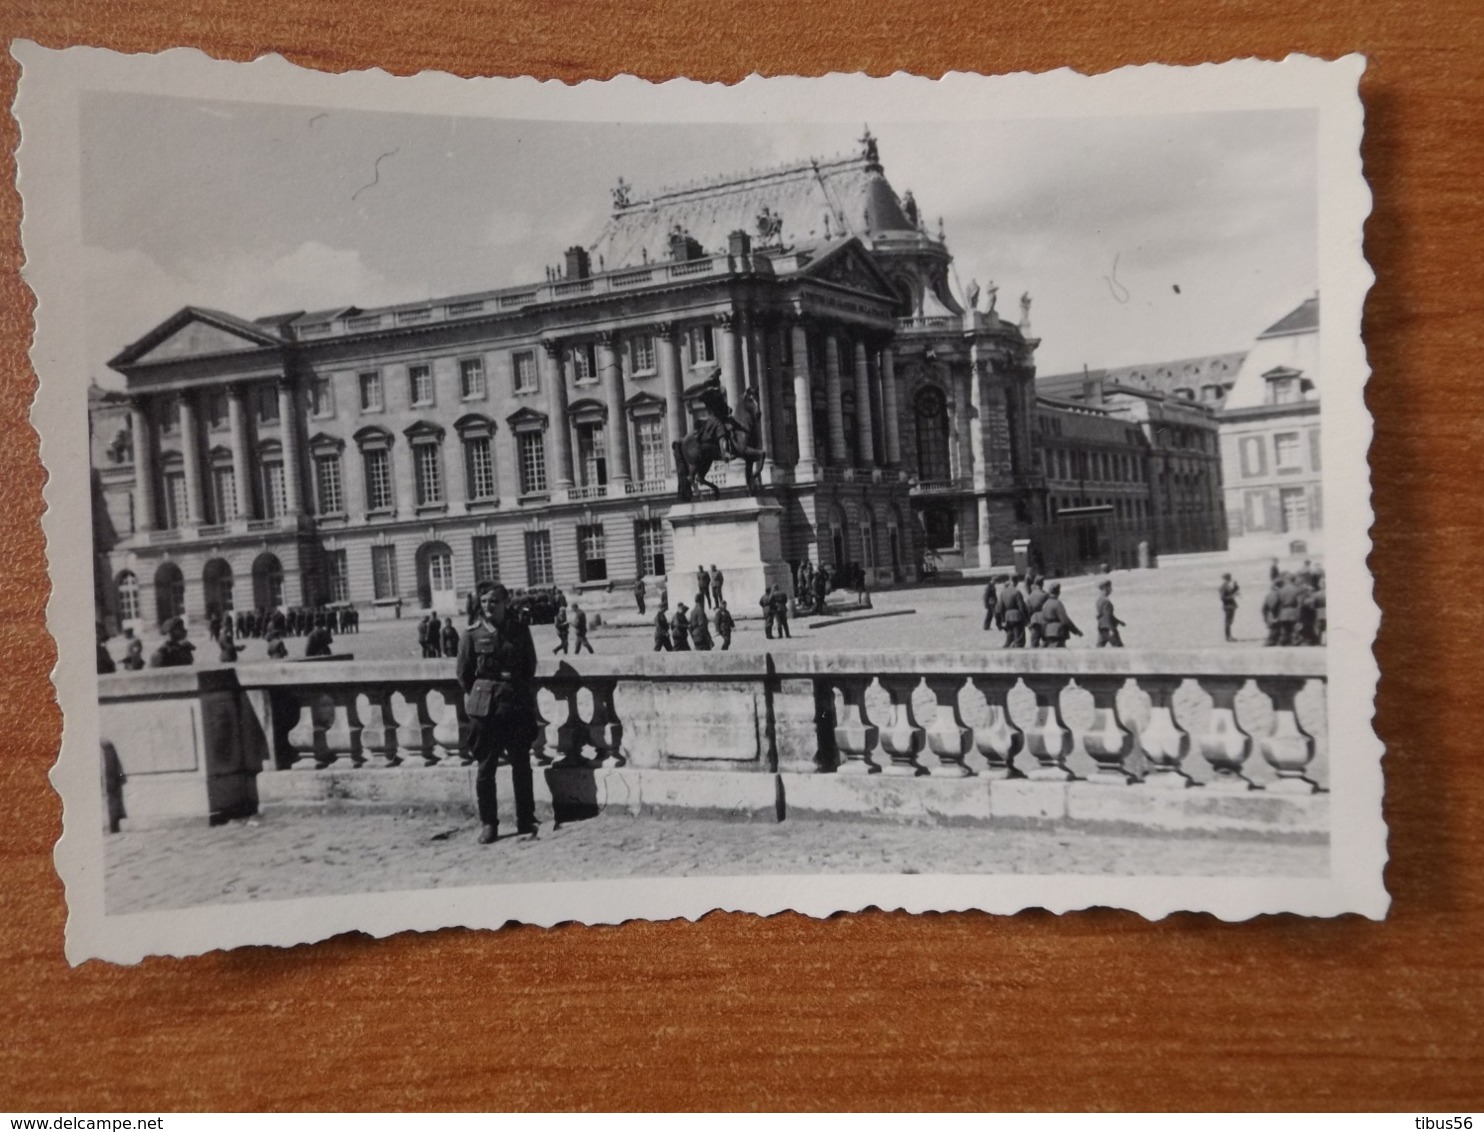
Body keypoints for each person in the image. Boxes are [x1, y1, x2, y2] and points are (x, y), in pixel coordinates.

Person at [458, 582, 540, 845]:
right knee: (485, 769)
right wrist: (486, 690)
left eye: (493, 601)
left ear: (506, 603)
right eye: (483, 601)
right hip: (484, 712)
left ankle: (525, 818)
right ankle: (489, 824)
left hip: (515, 705)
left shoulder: (519, 630)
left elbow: (529, 667)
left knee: (521, 766)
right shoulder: (471, 635)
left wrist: (512, 689)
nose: (488, 606)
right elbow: (464, 674)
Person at [1040, 583, 1081, 648]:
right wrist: (1076, 631)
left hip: (1047, 632)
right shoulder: (1058, 604)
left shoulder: (1045, 604)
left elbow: (1042, 620)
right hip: (1058, 632)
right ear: (1058, 592)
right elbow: (1065, 620)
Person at [996, 575, 1028, 648]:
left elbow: (1001, 607)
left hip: (1008, 617)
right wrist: (1026, 619)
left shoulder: (1003, 592)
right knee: (1019, 639)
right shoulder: (1017, 592)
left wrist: (1003, 619)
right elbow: (1021, 607)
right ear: (1017, 581)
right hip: (1017, 617)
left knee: (1009, 637)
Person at [1094, 579, 1125, 647]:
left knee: (1099, 648)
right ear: (1106, 588)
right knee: (1119, 647)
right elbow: (1107, 616)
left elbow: (1104, 615)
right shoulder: (1106, 602)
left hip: (1102, 628)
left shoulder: (1099, 600)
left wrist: (1119, 622)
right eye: (1110, 587)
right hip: (1108, 628)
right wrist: (1111, 629)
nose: (1111, 589)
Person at [1026, 576, 1049, 649]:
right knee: (1047, 641)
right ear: (1042, 583)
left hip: (1034, 620)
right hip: (1044, 620)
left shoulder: (1030, 596)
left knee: (1034, 643)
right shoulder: (1045, 594)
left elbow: (1028, 610)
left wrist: (1029, 622)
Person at [1262, 577, 1285, 646]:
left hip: (1270, 616)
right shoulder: (1278, 594)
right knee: (1275, 632)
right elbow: (1275, 606)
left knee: (1273, 631)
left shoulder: (1269, 594)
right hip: (1276, 616)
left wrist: (1266, 618)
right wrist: (1275, 616)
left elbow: (1264, 609)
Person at [1219, 573, 1241, 642]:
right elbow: (1222, 598)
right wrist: (1232, 597)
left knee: (1230, 622)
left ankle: (1229, 636)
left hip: (1230, 606)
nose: (1229, 580)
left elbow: (1232, 592)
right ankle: (1228, 637)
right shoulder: (1223, 587)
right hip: (1228, 606)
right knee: (1228, 622)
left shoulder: (1227, 586)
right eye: (1228, 578)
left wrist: (1236, 586)